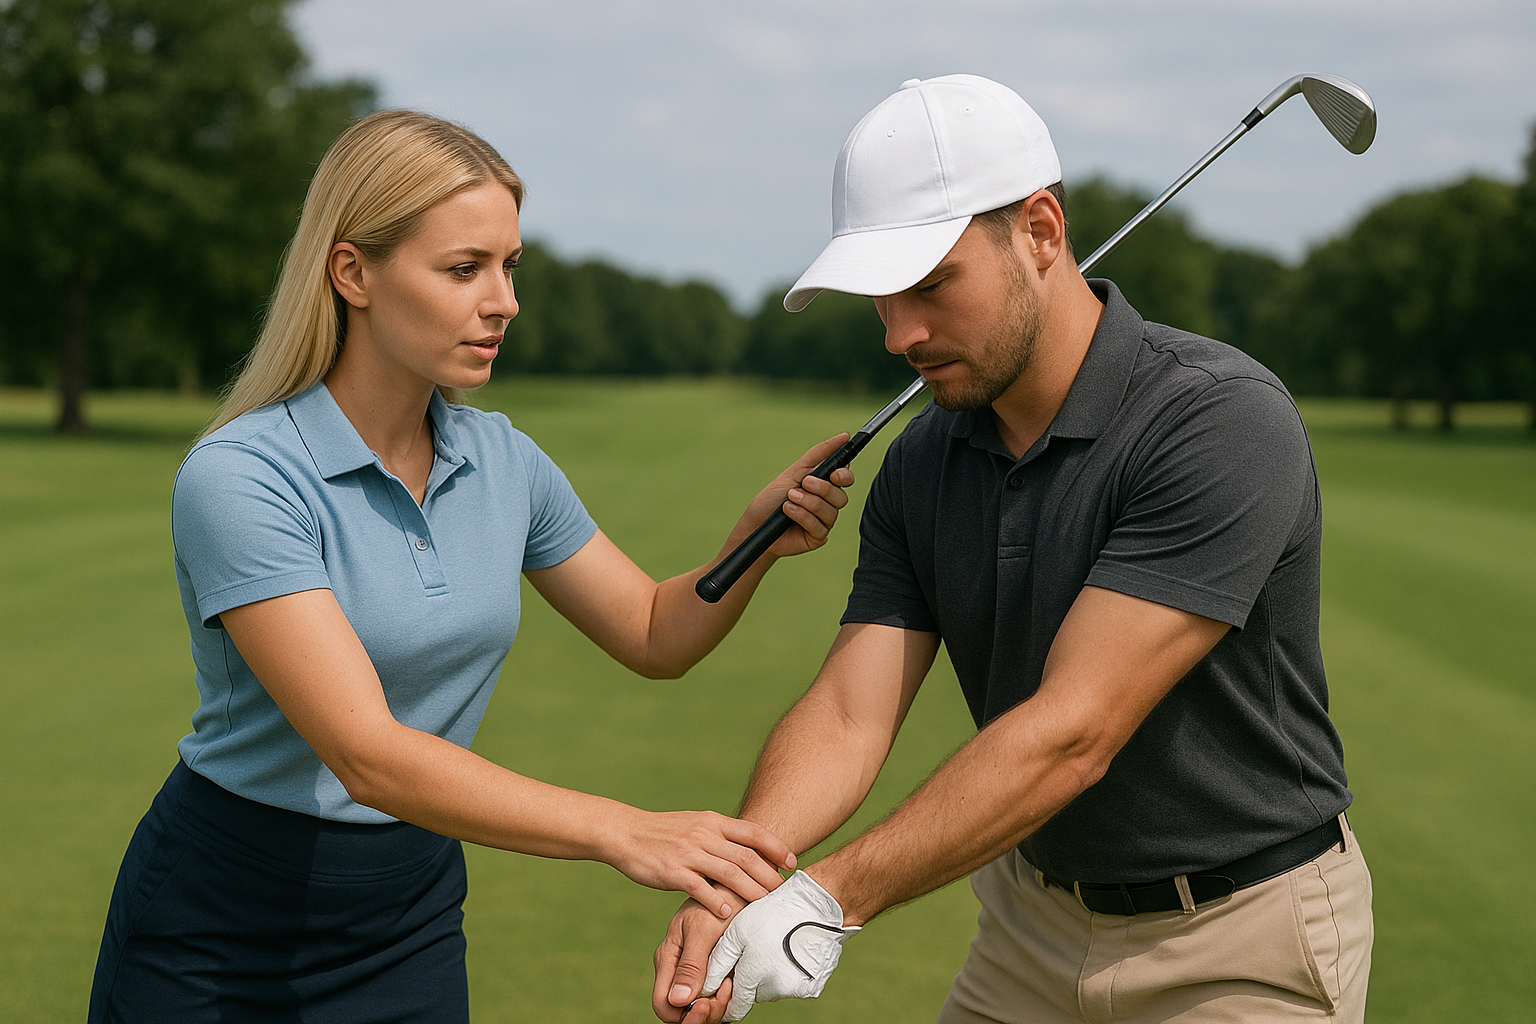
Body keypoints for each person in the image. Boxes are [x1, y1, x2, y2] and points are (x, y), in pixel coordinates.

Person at [87, 109, 858, 1023]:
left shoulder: (504, 461)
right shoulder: (242, 477)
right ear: (352, 274)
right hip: (219, 927)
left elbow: (655, 631)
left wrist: (752, 538)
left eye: (509, 267)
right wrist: (623, 829)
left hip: (406, 917)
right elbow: (366, 754)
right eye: (464, 270)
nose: (504, 302)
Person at [653, 74, 1373, 1024]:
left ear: (1040, 232)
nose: (900, 333)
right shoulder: (924, 461)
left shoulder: (1217, 421)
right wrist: (737, 882)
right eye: (882, 296)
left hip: (1236, 940)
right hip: (1029, 932)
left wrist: (826, 901)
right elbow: (846, 715)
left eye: (931, 284)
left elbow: (1072, 733)